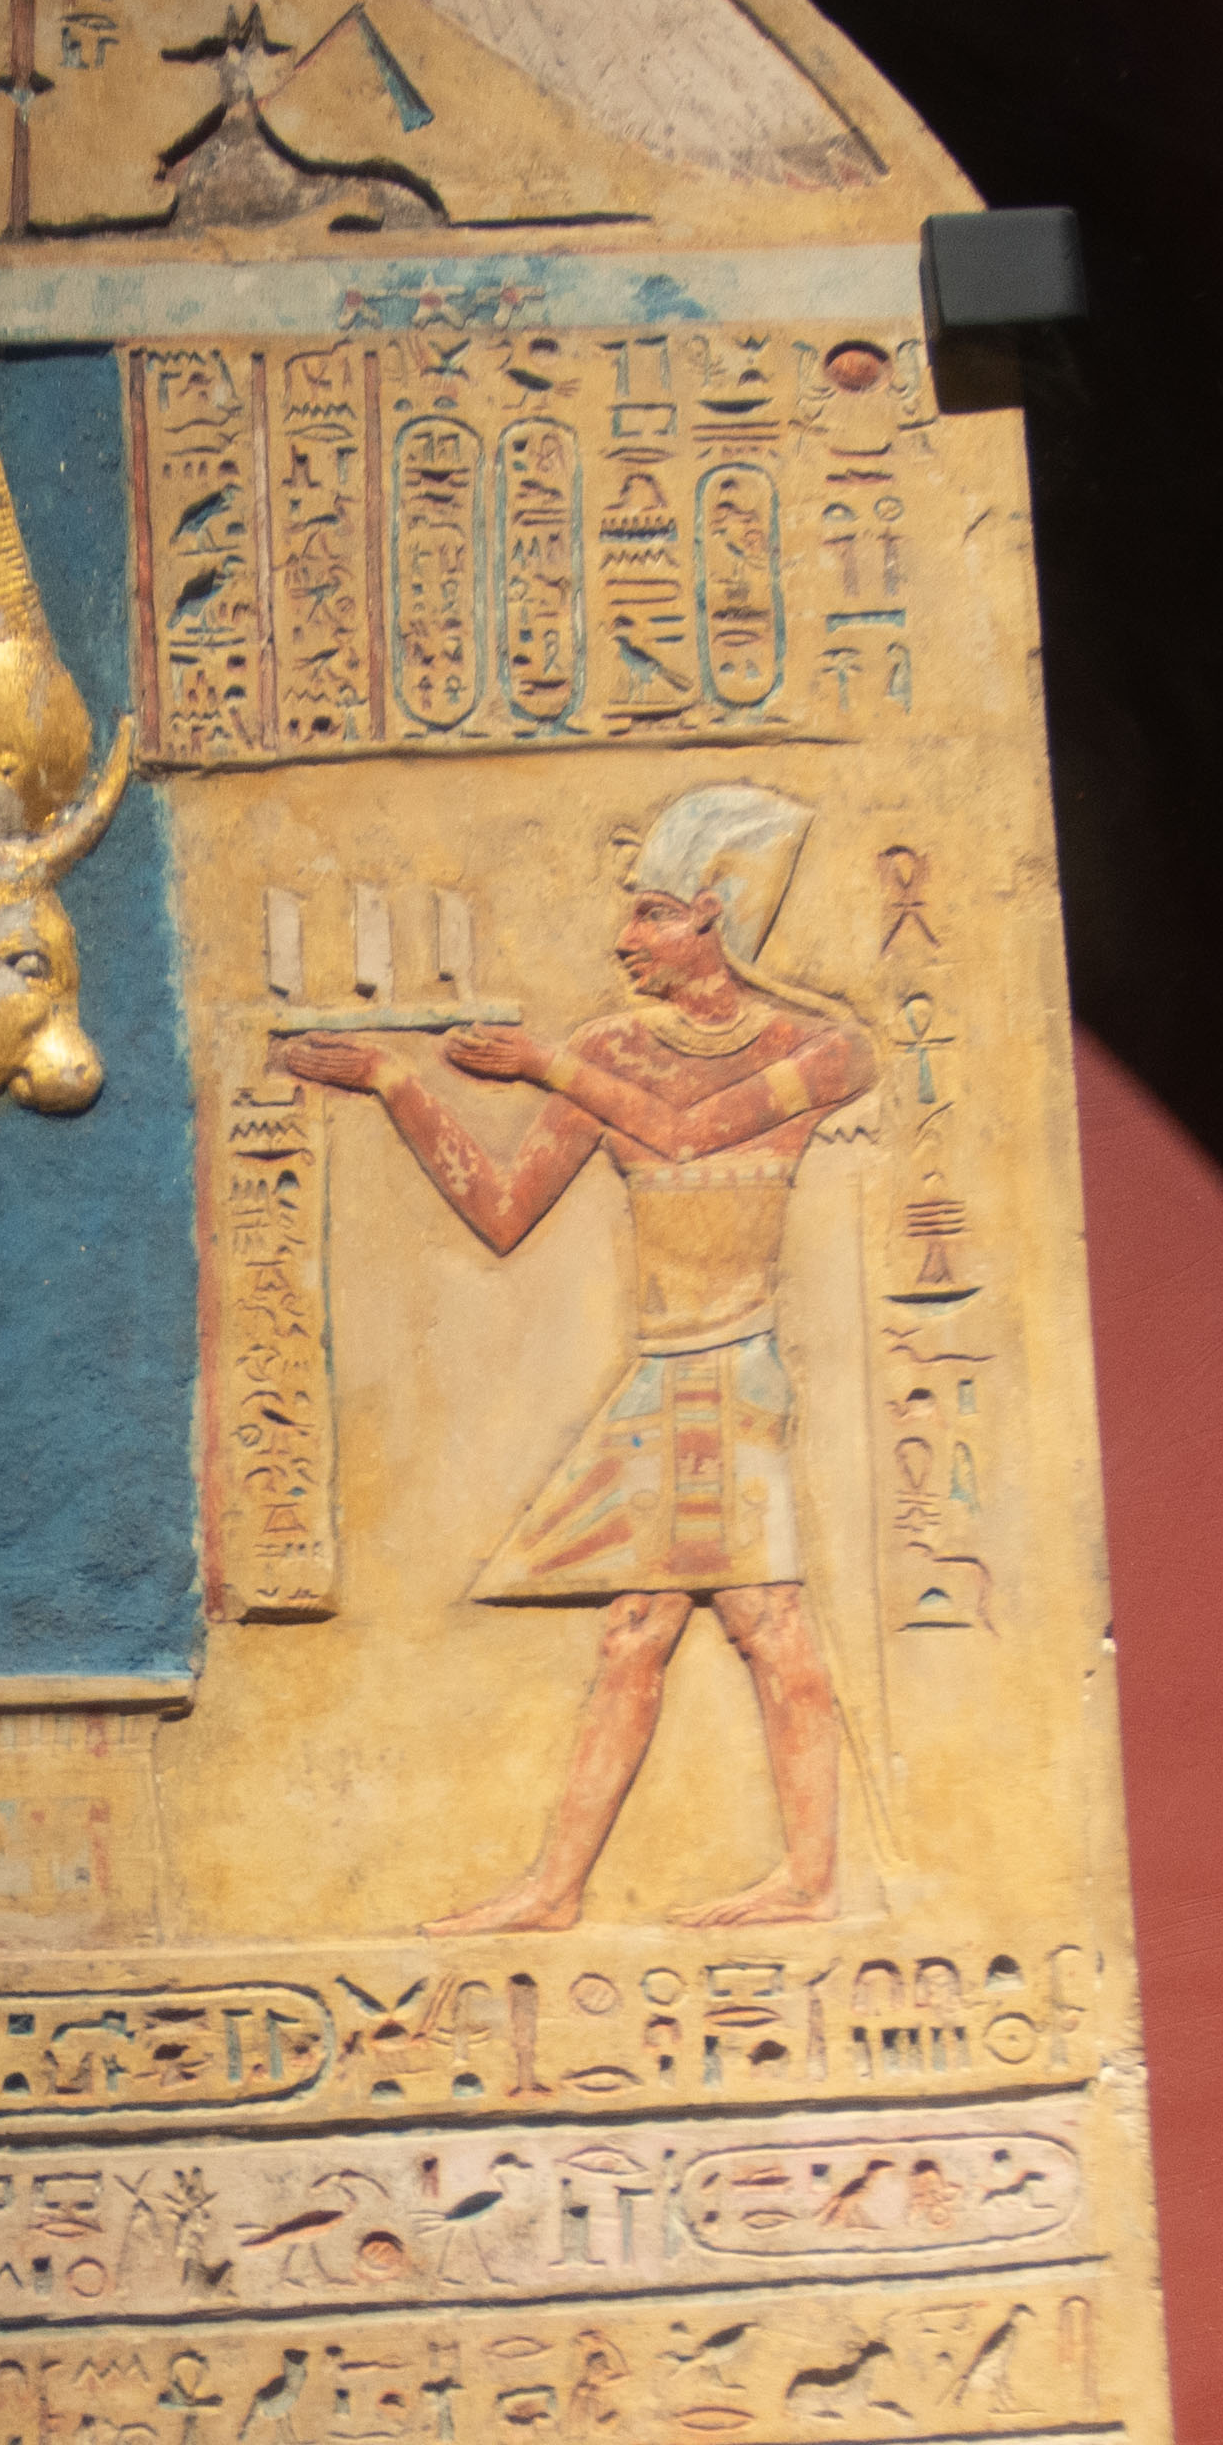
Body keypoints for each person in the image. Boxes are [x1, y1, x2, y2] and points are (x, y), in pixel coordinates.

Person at [272, 783, 875, 1929]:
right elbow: (502, 1209)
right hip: (665, 1378)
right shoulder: (609, 1048)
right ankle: (566, 1888)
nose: (622, 939)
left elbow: (688, 1133)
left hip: (732, 1371)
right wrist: (397, 1084)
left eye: (649, 913)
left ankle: (795, 1878)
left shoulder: (818, 1050)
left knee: (759, 1626)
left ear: (713, 911)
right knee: (654, 1630)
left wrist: (546, 1066)